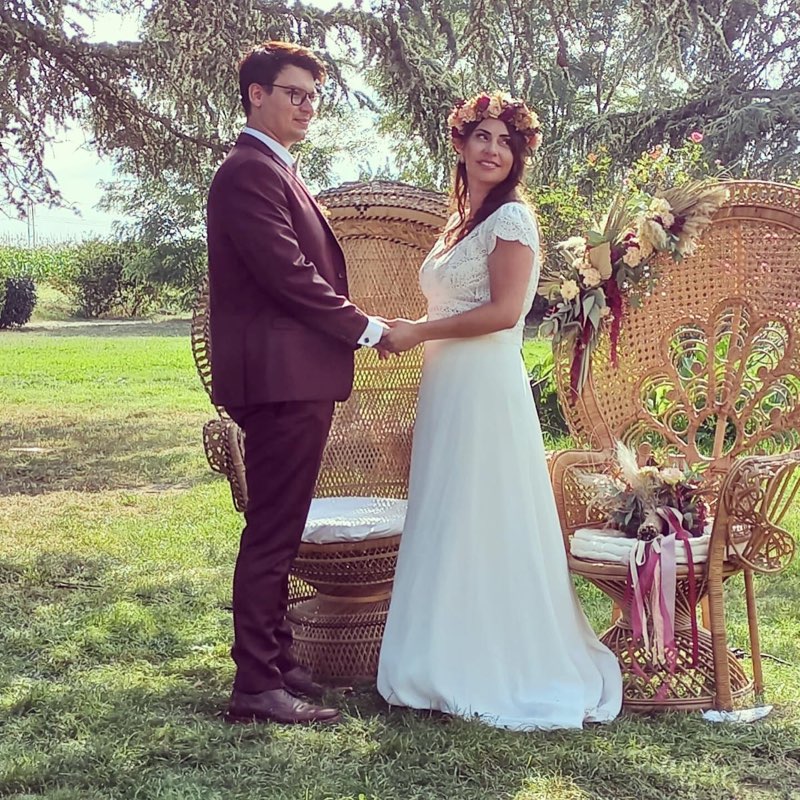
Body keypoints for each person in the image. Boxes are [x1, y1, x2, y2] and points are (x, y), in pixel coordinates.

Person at [376, 92, 623, 730]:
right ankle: (439, 653)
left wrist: (415, 332)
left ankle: (496, 661)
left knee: (483, 510)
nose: (492, 149)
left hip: (484, 383)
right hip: (449, 385)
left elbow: (504, 313)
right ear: (459, 145)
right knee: (449, 507)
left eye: (505, 142)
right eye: (481, 136)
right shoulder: (461, 220)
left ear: (517, 155)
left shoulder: (511, 219)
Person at [206, 41, 389, 725]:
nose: (307, 105)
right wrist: (365, 328)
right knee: (272, 533)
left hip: (296, 376)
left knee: (278, 527)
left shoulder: (276, 169)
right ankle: (256, 685)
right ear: (257, 94)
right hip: (281, 378)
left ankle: (279, 662)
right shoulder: (248, 172)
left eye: (314, 95)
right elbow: (288, 274)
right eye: (294, 92)